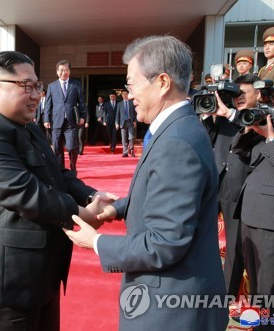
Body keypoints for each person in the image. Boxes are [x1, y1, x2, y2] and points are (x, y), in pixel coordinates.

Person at [64, 35, 228, 330]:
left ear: (162, 82)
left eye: (132, 84)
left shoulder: (176, 141)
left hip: (171, 307)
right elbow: (168, 192)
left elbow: (163, 244)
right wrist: (119, 208)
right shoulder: (179, 127)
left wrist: (97, 243)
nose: (129, 95)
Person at [0, 50, 117, 331]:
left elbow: (58, 173)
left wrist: (91, 196)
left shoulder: (29, 129)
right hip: (3, 282)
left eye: (37, 87)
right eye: (26, 86)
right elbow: (23, 191)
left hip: (41, 274)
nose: (36, 95)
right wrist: (81, 215)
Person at [232, 83, 274, 330]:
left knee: (269, 293)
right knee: (257, 289)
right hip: (253, 212)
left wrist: (270, 137)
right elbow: (241, 151)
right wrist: (252, 128)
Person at [203, 73, 261, 299]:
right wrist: (208, 117)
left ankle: (227, 295)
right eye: (236, 93)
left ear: (257, 93)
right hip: (216, 182)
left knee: (234, 245)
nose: (239, 97)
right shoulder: (224, 115)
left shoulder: (260, 117)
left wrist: (230, 114)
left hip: (239, 186)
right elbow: (209, 140)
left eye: (244, 93)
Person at [44, 59, 86, 174]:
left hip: (71, 121)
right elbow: (48, 104)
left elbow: (82, 102)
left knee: (72, 146)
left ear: (69, 71)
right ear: (57, 72)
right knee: (57, 147)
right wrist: (46, 119)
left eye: (66, 70)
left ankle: (73, 167)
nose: (64, 72)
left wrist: (83, 116)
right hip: (56, 121)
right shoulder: (52, 86)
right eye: (62, 70)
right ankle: (60, 169)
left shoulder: (75, 84)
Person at [115, 90, 136, 157]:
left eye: (126, 94)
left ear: (128, 94)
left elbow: (135, 113)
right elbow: (117, 114)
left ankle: (132, 151)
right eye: (123, 94)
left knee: (131, 137)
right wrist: (116, 123)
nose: (125, 95)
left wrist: (135, 121)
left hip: (130, 122)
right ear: (122, 96)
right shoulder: (119, 104)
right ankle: (125, 152)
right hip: (122, 123)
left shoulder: (132, 103)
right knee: (124, 138)